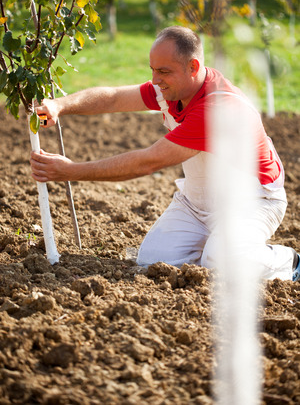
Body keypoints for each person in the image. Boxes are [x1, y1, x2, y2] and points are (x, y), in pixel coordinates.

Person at [30, 26, 300, 282]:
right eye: (152, 70)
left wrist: (70, 171)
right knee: (154, 262)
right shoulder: (170, 91)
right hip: (197, 204)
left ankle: (289, 263)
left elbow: (148, 161)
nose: (154, 80)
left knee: (222, 263)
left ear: (193, 67)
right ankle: (221, 245)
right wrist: (59, 105)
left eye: (163, 71)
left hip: (252, 202)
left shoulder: (218, 109)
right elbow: (112, 97)